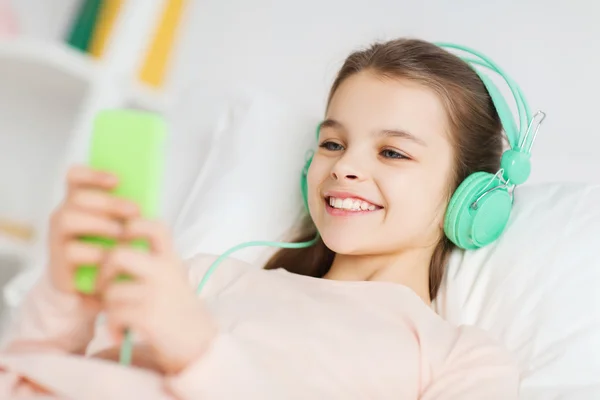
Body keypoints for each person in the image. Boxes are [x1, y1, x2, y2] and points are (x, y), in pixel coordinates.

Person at [0, 38, 520, 399]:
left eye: (393, 153)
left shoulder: (461, 358)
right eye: (332, 143)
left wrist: (199, 353)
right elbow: (43, 376)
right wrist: (65, 297)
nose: (344, 167)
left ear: (470, 196)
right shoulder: (205, 276)